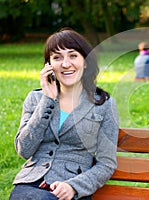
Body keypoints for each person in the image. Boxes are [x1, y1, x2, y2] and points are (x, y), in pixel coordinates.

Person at [9, 28, 119, 200]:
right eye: (57, 57)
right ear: (48, 65)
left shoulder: (103, 104)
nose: (65, 64)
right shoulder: (36, 98)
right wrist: (47, 100)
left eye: (73, 56)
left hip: (72, 188)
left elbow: (107, 163)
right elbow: (24, 149)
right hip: (31, 185)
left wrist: (74, 186)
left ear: (86, 61)